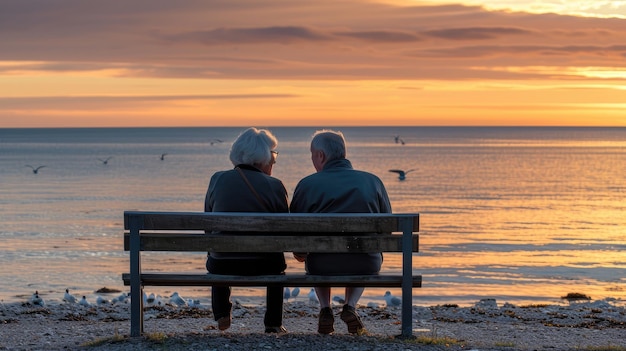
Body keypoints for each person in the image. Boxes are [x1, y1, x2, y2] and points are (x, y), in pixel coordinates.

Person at [290, 129, 392, 335]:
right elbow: (387, 229)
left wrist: (300, 253)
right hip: (365, 263)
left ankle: (325, 308)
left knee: (317, 254)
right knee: (361, 254)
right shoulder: (373, 181)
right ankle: (350, 306)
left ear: (320, 155)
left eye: (312, 155)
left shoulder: (307, 184)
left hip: (321, 264)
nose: (312, 160)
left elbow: (294, 229)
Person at [204, 127, 288, 333]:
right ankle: (273, 323)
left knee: (216, 248)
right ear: (264, 158)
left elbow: (208, 226)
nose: (274, 160)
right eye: (273, 155)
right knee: (277, 259)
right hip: (265, 264)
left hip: (223, 264)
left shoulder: (217, 180)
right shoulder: (275, 185)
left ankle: (222, 312)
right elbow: (285, 229)